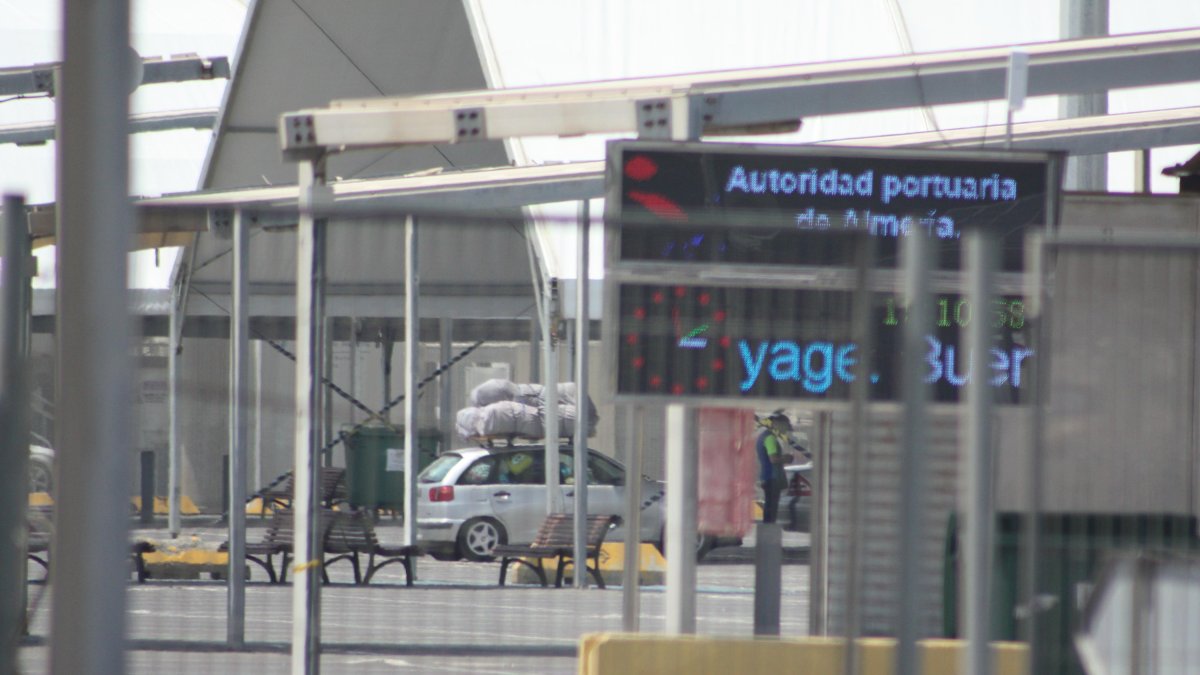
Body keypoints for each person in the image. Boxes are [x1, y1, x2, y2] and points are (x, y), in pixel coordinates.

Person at [756, 411, 794, 524]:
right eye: (784, 427)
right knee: (772, 507)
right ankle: (769, 528)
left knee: (769, 505)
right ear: (777, 424)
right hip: (772, 477)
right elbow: (773, 459)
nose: (784, 431)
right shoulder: (770, 438)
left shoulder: (763, 436)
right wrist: (786, 458)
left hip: (767, 476)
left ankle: (768, 527)